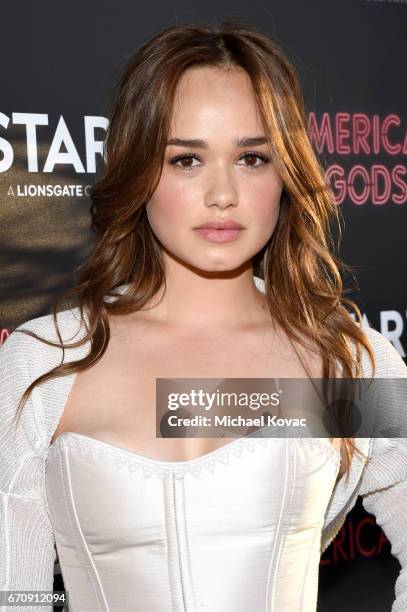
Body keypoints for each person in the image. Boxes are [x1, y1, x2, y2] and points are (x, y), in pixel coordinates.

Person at [1, 19, 407, 612]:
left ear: (286, 173)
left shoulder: (342, 358)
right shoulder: (44, 362)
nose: (223, 193)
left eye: (252, 158)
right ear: (139, 171)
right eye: (187, 160)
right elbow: (15, 593)